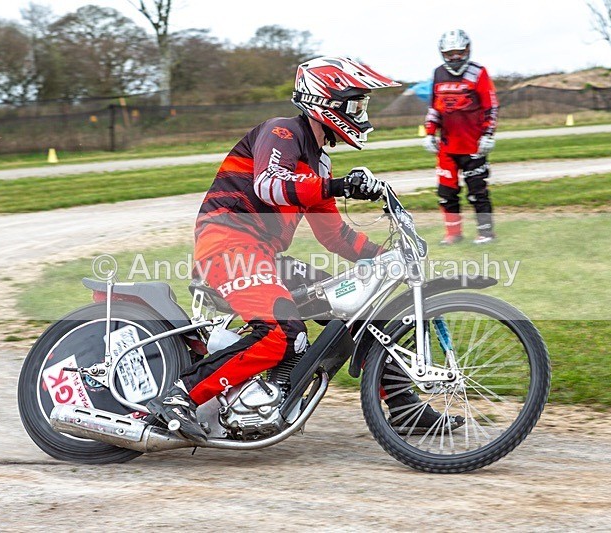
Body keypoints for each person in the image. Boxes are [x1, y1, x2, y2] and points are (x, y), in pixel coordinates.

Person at [148, 57, 456, 441]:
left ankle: (402, 406)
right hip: (229, 243)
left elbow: (334, 236)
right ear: (326, 101)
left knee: (353, 307)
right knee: (279, 332)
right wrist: (339, 186)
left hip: (264, 256)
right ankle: (181, 399)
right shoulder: (281, 133)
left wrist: (385, 258)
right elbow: (269, 185)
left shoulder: (318, 163)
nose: (361, 113)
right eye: (355, 103)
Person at [422, 29, 499, 245]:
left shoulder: (478, 73)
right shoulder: (438, 73)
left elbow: (490, 107)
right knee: (446, 193)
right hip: (447, 147)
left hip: (474, 145)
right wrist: (429, 133)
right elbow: (434, 108)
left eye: (459, 52)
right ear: (442, 53)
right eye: (449, 53)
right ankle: (453, 234)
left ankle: (486, 233)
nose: (455, 57)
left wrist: (488, 134)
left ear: (467, 50)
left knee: (477, 192)